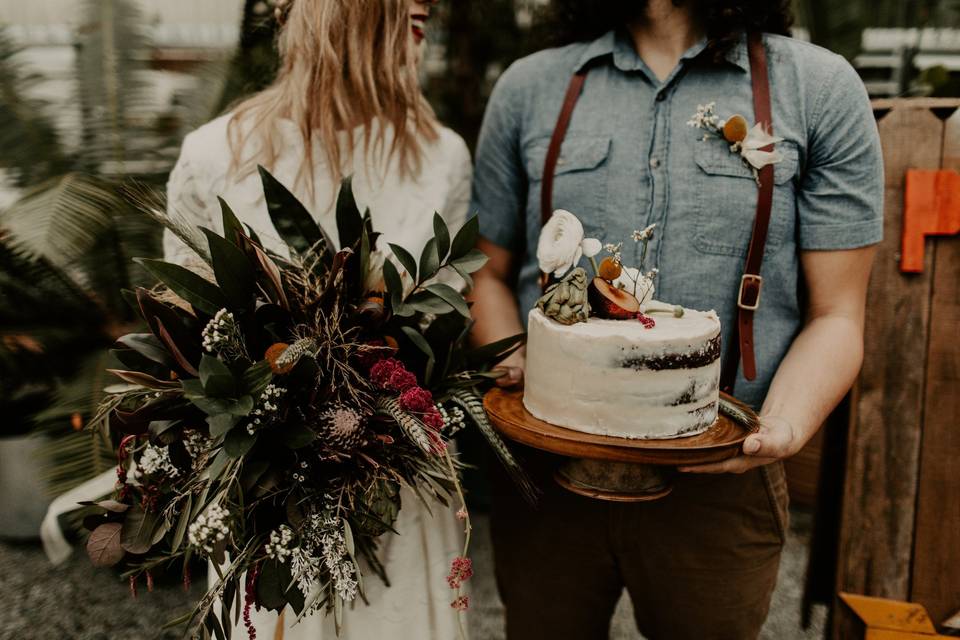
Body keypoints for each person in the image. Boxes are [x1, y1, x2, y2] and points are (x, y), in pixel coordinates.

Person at [469, 0, 882, 638]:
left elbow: (838, 314)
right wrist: (514, 361)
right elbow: (486, 273)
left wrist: (781, 428)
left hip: (721, 482)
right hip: (547, 473)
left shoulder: (820, 88)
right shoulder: (531, 86)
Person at [164, 0, 471, 638]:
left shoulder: (441, 156)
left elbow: (445, 317)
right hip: (268, 500)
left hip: (401, 492)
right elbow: (186, 342)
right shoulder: (214, 157)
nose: (429, 8)